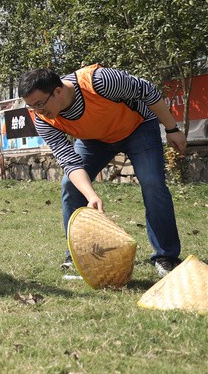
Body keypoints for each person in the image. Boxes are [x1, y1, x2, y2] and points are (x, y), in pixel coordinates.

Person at [18, 66, 185, 276]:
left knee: (152, 182)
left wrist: (172, 129)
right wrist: (91, 195)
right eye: (31, 107)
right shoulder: (43, 119)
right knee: (71, 185)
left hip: (138, 127)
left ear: (58, 91)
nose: (37, 111)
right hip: (94, 140)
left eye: (40, 104)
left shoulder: (100, 81)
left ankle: (166, 256)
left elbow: (148, 91)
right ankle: (78, 255)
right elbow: (69, 161)